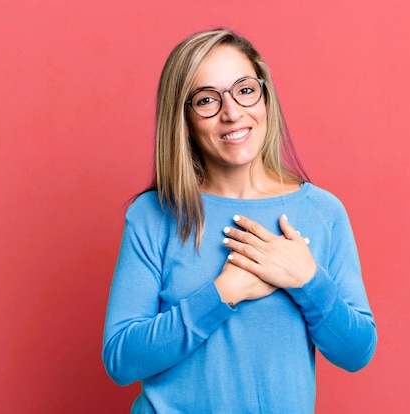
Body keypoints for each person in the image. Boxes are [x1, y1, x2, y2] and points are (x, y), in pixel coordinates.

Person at [102, 28, 377, 413]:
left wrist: (307, 281)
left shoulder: (322, 212)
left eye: (245, 90)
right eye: (206, 100)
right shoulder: (154, 215)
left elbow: (357, 351)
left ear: (265, 96)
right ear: (183, 117)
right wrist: (223, 292)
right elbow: (121, 359)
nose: (232, 112)